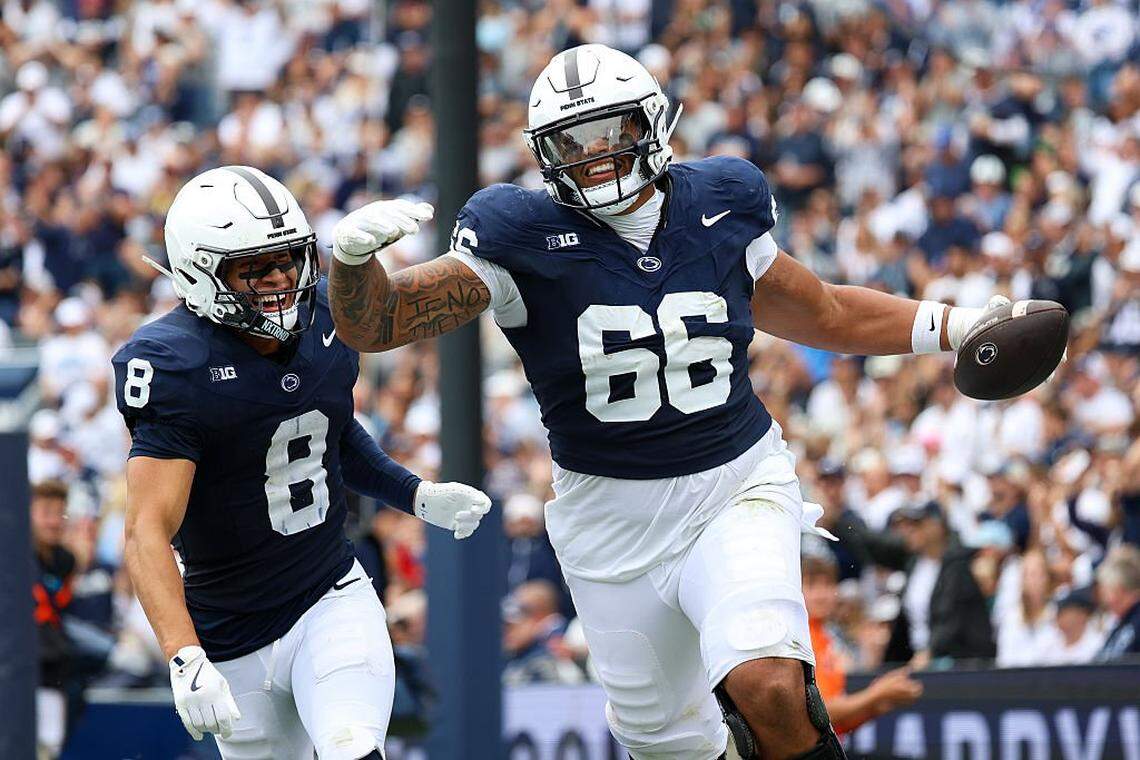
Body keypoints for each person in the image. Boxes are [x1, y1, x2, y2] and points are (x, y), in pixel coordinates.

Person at [327, 44, 1017, 760]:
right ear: (543, 153)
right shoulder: (517, 233)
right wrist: (352, 267)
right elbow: (378, 322)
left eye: (610, 133)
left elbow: (828, 312)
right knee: (673, 747)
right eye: (572, 143)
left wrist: (958, 325)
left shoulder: (720, 201)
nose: (594, 157)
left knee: (771, 684)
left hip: (733, 484)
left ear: (651, 123)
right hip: (608, 518)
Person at [112, 165, 492, 760]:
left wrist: (415, 494)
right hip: (229, 633)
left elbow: (328, 433)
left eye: (288, 258)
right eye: (254, 267)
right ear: (197, 271)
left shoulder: (325, 316)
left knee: (352, 750)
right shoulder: (173, 363)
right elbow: (145, 531)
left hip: (328, 595)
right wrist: (183, 656)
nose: (280, 277)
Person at [800, 538, 922, 736]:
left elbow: (830, 723)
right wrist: (876, 694)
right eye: (812, 585)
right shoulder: (800, 638)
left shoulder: (825, 637)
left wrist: (876, 706)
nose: (822, 595)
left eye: (828, 585)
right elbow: (820, 713)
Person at [31, 480, 76, 759]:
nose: (54, 522)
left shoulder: (64, 560)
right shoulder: (14, 557)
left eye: (60, 513)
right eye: (46, 512)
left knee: (49, 746)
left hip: (50, 670)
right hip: (17, 666)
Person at [1095, 545, 1140, 661]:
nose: (1104, 600)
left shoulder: (1135, 622)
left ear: (1120, 590)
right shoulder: (1122, 622)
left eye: (1106, 591)